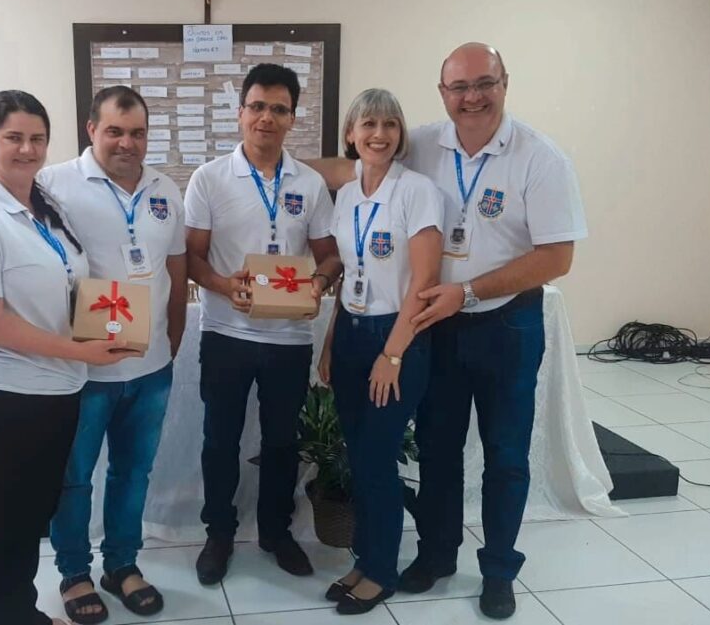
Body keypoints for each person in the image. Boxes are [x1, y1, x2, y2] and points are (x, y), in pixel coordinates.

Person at [307, 43, 588, 619]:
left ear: (505, 83)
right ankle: (436, 555)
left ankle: (500, 569)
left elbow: (558, 256)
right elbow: (350, 167)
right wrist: (258, 159)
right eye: (459, 88)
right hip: (434, 328)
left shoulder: (541, 158)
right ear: (442, 94)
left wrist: (472, 290)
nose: (472, 97)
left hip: (504, 323)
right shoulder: (424, 144)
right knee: (437, 450)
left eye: (484, 83)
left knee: (506, 454)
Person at [0, 90, 138, 625]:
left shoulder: (44, 205)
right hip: (6, 392)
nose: (27, 149)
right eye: (13, 138)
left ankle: (19, 610)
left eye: (36, 139)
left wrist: (104, 328)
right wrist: (79, 350)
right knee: (12, 521)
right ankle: (4, 617)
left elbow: (65, 286)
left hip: (56, 388)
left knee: (32, 515)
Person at [185, 63, 342, 585]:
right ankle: (220, 532)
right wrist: (226, 285)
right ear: (241, 112)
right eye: (257, 106)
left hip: (289, 339)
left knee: (281, 441)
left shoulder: (311, 184)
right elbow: (193, 259)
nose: (267, 118)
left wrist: (318, 283)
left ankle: (276, 531)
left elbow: (329, 255)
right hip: (227, 332)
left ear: (292, 117)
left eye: (279, 109)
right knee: (219, 439)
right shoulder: (209, 179)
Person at [36, 86, 187, 623]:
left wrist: (171, 344)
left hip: (150, 368)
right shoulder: (51, 184)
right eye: (115, 131)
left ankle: (121, 564)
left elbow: (176, 270)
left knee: (133, 473)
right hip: (83, 370)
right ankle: (74, 573)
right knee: (74, 477)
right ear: (91, 129)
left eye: (138, 132)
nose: (127, 142)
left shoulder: (166, 188)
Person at [315, 88, 443, 615]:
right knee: (358, 454)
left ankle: (383, 571)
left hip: (400, 334)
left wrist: (391, 355)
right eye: (368, 124)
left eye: (390, 124)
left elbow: (425, 280)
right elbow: (348, 274)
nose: (379, 134)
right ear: (350, 134)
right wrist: (330, 343)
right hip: (351, 330)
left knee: (376, 460)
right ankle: (365, 559)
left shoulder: (417, 191)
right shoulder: (346, 196)